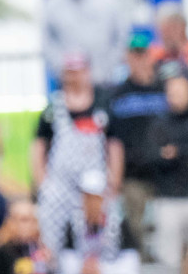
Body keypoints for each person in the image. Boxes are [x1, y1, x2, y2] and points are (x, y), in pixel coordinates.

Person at [32, 53, 124, 260]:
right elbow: (38, 145)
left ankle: (100, 267)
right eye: (70, 72)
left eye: (79, 71)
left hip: (94, 181)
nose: (75, 77)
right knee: (49, 232)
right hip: (60, 182)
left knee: (103, 231)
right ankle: (51, 269)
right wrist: (43, 183)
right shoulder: (53, 108)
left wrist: (114, 180)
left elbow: (114, 145)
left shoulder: (102, 104)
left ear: (87, 72)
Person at [142, 73, 188, 267]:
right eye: (172, 92)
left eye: (180, 91)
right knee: (169, 258)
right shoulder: (158, 123)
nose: (177, 96)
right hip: (168, 197)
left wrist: (176, 151)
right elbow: (152, 157)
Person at [107, 34, 170, 246]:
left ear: (150, 56)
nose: (139, 60)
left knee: (165, 231)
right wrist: (115, 177)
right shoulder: (119, 94)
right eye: (134, 55)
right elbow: (113, 139)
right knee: (137, 230)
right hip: (133, 175)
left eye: (143, 54)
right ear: (127, 58)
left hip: (166, 174)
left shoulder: (164, 88)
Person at [41, 0, 128, 86]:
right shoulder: (52, 4)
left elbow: (120, 37)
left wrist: (109, 66)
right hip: (70, 81)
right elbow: (47, 41)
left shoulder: (107, 2)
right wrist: (61, 68)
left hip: (103, 79)